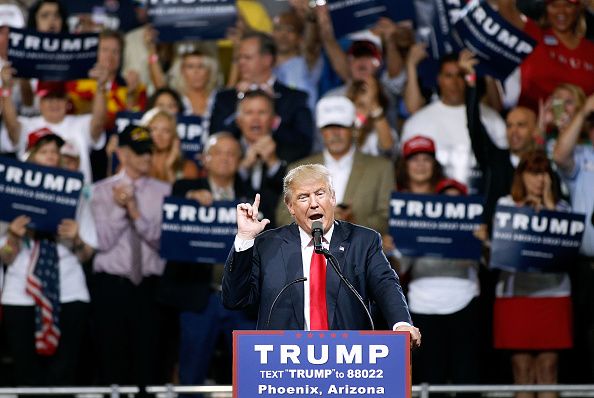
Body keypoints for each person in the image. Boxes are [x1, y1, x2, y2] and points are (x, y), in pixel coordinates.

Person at [222, 164, 420, 344]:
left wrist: (401, 323)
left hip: (348, 358)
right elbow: (234, 300)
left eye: (320, 194)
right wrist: (245, 238)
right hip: (284, 364)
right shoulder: (267, 245)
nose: (313, 203)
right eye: (303, 197)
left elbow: (386, 284)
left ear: (332, 197)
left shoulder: (363, 241)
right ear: (290, 206)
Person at [158, 132, 256, 396]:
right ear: (206, 159)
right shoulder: (185, 189)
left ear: (239, 160)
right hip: (199, 297)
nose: (225, 158)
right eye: (218, 152)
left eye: (231, 153)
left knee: (251, 374)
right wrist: (191, 197)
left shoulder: (252, 196)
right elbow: (174, 205)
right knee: (191, 375)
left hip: (241, 300)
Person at [0, 128, 96, 386]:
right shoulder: (9, 197)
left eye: (55, 151)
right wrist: (12, 236)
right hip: (20, 291)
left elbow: (87, 254)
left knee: (64, 372)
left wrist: (76, 239)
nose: (51, 156)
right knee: (26, 373)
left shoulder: (76, 194)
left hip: (70, 290)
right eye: (44, 151)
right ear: (30, 157)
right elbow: (5, 258)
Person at [392, 135, 481, 388]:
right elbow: (400, 268)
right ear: (405, 165)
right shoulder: (397, 202)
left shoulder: (451, 194)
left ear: (435, 164)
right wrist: (393, 248)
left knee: (467, 377)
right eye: (414, 159)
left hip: (463, 296)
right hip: (421, 299)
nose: (420, 164)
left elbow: (479, 256)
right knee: (430, 379)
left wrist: (479, 240)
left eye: (426, 159)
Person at [91, 124, 171, 387]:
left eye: (148, 151)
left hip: (149, 288)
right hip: (111, 286)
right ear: (122, 154)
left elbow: (164, 242)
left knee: (148, 364)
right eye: (138, 152)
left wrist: (135, 213)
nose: (146, 157)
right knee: (110, 362)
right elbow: (101, 241)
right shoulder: (100, 191)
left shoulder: (164, 192)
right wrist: (118, 209)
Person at [493, 150, 572, 398]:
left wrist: (548, 207)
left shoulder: (562, 208)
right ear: (521, 176)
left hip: (554, 294)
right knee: (522, 370)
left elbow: (566, 252)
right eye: (533, 173)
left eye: (544, 174)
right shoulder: (505, 206)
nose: (540, 180)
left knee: (549, 369)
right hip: (515, 295)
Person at [276, 96, 393, 235]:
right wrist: (319, 223)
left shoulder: (381, 168)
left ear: (354, 129)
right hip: (310, 252)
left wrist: (352, 223)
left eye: (341, 126)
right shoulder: (297, 169)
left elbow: (388, 217)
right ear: (320, 132)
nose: (335, 133)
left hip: (360, 252)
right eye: (329, 127)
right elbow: (283, 216)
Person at [401, 53, 507, 190]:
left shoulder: (492, 120)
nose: (454, 82)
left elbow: (503, 166)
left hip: (480, 199)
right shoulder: (416, 123)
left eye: (461, 75)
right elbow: (404, 172)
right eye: (448, 76)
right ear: (439, 79)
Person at [209, 31, 314, 163]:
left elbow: (304, 145)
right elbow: (215, 139)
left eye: (247, 57)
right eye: (238, 58)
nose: (240, 63)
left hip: (280, 175)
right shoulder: (225, 98)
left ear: (267, 59)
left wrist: (273, 110)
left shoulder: (294, 98)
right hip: (238, 176)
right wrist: (240, 101)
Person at [553, 93, 594, 380]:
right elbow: (559, 155)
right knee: (585, 336)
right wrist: (585, 110)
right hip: (585, 266)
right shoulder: (582, 156)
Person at [498, 0, 594, 111]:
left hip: (583, 125)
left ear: (578, 8)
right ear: (545, 7)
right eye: (554, 5)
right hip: (531, 124)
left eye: (568, 5)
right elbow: (505, 5)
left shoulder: (590, 50)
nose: (561, 11)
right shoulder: (533, 35)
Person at [235, 89, 287, 227]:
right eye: (249, 113)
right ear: (238, 120)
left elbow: (291, 194)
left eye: (262, 112)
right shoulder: (227, 150)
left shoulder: (289, 151)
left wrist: (272, 162)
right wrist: (244, 166)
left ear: (274, 120)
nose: (255, 119)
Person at [140, 107, 199, 183]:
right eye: (153, 129)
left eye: (166, 131)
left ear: (174, 136)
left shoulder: (188, 168)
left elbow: (178, 194)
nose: (159, 135)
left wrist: (169, 168)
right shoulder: (134, 164)